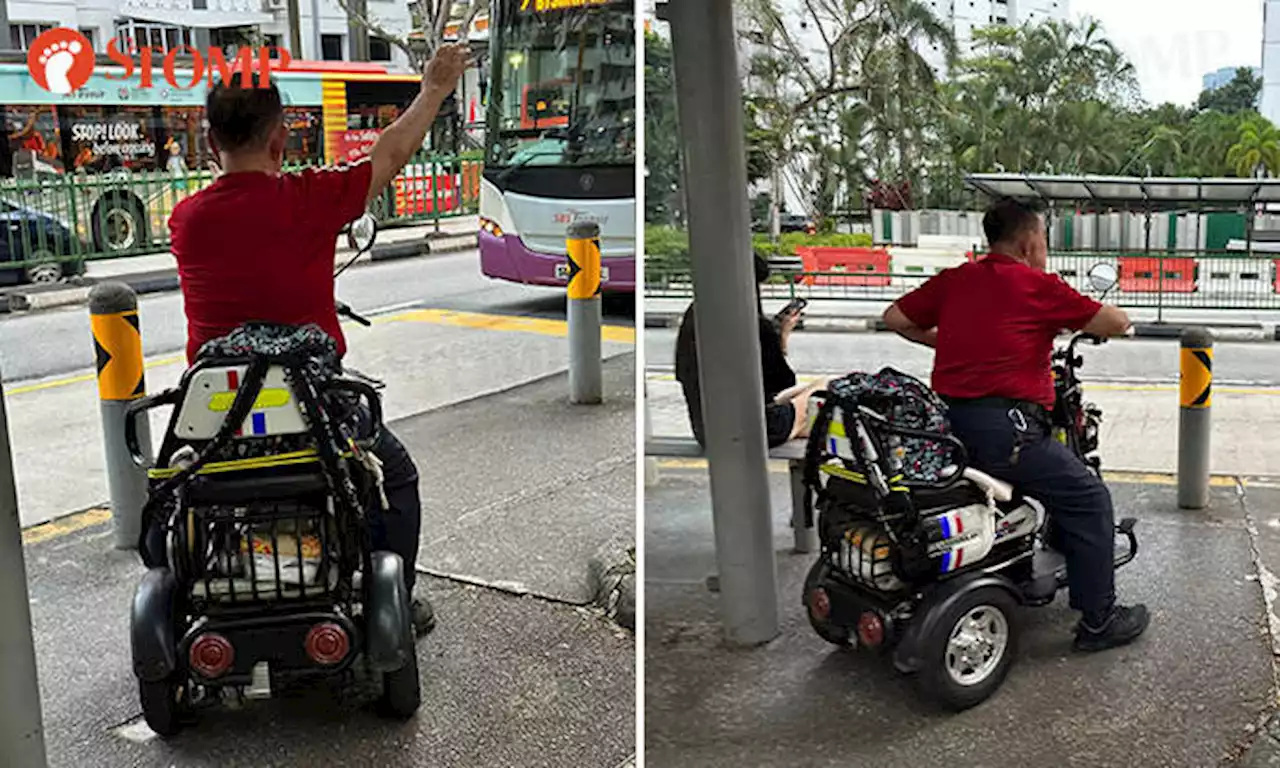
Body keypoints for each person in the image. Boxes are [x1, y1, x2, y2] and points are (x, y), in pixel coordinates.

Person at [168, 44, 470, 636]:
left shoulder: (188, 218)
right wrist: (433, 88)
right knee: (397, 476)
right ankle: (396, 600)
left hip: (218, 419)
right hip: (316, 413)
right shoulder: (310, 199)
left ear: (211, 144)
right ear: (281, 139)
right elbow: (392, 152)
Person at [882, 197, 1149, 653]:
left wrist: (945, 343)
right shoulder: (1036, 285)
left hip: (949, 429)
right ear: (1029, 242)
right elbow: (1118, 321)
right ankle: (1099, 621)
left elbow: (895, 319)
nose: (1043, 250)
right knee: (1089, 500)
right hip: (1008, 432)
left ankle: (1022, 563)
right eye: (1043, 241)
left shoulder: (957, 279)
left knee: (1042, 481)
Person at [675, 253, 827, 449]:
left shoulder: (694, 315)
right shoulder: (753, 323)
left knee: (808, 394)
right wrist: (782, 337)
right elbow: (782, 382)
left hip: (705, 432)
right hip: (754, 430)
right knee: (826, 386)